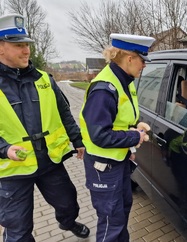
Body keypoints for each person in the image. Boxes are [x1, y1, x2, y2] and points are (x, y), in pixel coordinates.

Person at [0, 14, 90, 242]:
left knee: (69, 203)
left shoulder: (44, 79)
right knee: (18, 229)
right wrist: (4, 148)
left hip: (49, 161)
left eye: (27, 45)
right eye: (18, 45)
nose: (26, 51)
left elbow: (64, 112)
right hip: (13, 169)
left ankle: (68, 222)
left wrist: (77, 140)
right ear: (1, 48)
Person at [79, 33, 155, 241]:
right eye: (142, 60)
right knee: (111, 220)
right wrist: (134, 136)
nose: (144, 66)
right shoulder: (104, 88)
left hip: (117, 162)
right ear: (129, 58)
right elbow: (100, 135)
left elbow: (116, 119)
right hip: (104, 167)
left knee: (121, 212)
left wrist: (133, 125)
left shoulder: (124, 80)